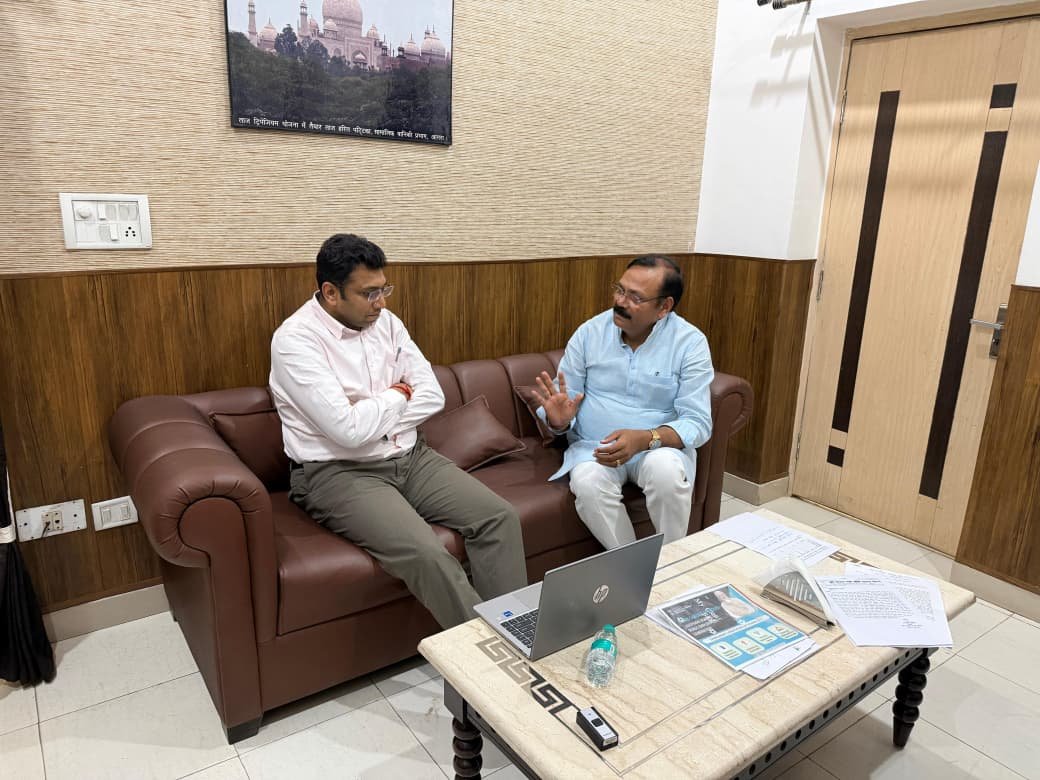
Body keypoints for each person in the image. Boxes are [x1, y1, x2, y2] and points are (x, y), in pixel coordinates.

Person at [269, 233, 527, 629]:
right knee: (429, 554)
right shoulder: (295, 341)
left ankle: (514, 630)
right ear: (330, 292)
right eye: (370, 293)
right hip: (338, 473)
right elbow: (347, 432)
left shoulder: (386, 323)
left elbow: (432, 396)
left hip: (411, 457)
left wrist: (378, 411)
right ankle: (487, 663)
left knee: (499, 518)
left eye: (384, 289)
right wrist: (399, 393)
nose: (382, 303)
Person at [532, 254, 714, 549]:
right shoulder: (590, 333)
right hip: (596, 447)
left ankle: (671, 563)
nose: (621, 301)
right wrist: (559, 420)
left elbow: (698, 423)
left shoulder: (689, 344)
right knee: (588, 482)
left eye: (635, 297)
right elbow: (563, 400)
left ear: (664, 307)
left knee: (667, 473)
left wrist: (645, 439)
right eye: (620, 289)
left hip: (657, 448)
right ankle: (633, 567)